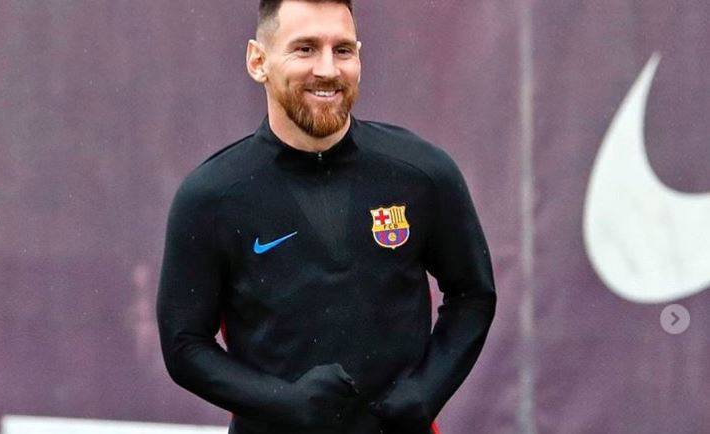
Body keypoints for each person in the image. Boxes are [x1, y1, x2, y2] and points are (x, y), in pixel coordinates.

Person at [156, 1, 497, 433]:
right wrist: (281, 402)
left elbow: (472, 294)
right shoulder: (211, 196)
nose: (327, 69)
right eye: (305, 49)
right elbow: (184, 345)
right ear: (258, 61)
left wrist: (426, 390)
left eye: (342, 50)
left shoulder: (422, 172)